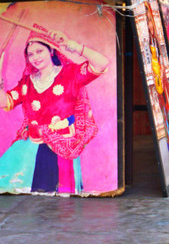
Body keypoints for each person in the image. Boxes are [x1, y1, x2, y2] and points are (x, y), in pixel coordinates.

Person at [0, 30, 109, 195]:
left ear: (51, 51)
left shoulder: (70, 74)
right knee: (32, 200)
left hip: (63, 146)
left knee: (63, 203)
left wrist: (78, 47)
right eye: (30, 54)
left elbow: (102, 63)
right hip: (32, 147)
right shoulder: (27, 83)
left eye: (39, 51)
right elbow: (5, 102)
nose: (35, 57)